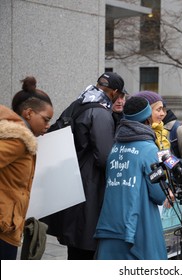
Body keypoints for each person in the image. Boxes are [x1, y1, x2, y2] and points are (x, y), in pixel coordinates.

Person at [43, 72, 126, 260]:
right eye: (119, 95)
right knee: (86, 244)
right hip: (91, 186)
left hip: (70, 178)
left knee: (75, 244)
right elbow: (105, 157)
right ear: (114, 92)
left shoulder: (79, 103)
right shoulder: (101, 113)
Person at [94, 96, 167, 260]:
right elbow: (159, 194)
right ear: (147, 119)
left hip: (110, 225)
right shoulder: (149, 149)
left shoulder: (115, 147)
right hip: (139, 227)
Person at [0, 76, 53, 260]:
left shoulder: (19, 137)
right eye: (45, 119)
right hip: (4, 226)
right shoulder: (19, 139)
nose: (47, 126)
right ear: (29, 113)